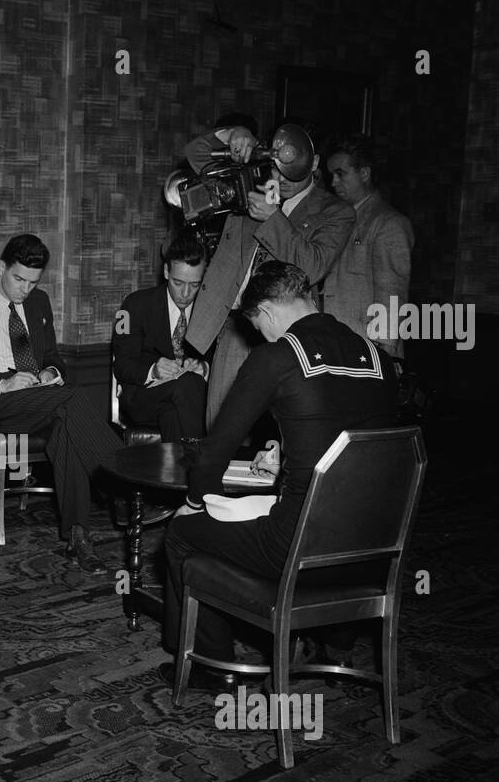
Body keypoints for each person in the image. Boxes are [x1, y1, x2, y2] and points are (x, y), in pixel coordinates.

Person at [161, 262, 397, 692]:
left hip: (296, 547)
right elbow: (358, 445)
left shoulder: (276, 356)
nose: (261, 337)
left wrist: (196, 501)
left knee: (182, 532)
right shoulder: (379, 357)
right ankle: (337, 643)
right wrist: (287, 453)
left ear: (267, 312)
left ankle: (212, 664)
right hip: (372, 551)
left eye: (257, 328)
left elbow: (215, 453)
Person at [0, 234, 122, 574]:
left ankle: (79, 537)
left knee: (67, 428)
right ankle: (124, 481)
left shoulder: (39, 303)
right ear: (1, 268)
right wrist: (3, 383)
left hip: (40, 399)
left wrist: (50, 371)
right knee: (74, 399)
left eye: (33, 282)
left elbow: (52, 357)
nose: (24, 289)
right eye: (18, 279)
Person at [183, 120, 355, 428]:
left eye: (291, 165)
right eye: (274, 165)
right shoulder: (249, 186)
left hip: (288, 339)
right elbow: (196, 155)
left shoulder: (336, 211)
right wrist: (233, 134)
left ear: (313, 162)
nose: (280, 176)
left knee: (276, 436)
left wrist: (273, 219)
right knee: (222, 429)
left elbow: (312, 266)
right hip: (235, 331)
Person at [322, 133, 415, 360]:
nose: (334, 183)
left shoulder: (388, 223)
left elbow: (392, 296)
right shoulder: (337, 218)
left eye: (341, 174)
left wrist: (385, 357)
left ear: (364, 173)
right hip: (334, 346)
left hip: (368, 353)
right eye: (331, 175)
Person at [113, 230, 211, 441]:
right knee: (189, 384)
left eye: (194, 285)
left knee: (175, 414)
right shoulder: (132, 305)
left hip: (188, 403)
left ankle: (182, 473)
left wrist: (204, 368)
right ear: (166, 271)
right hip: (144, 398)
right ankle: (205, 466)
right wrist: (153, 370)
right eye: (178, 283)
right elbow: (121, 364)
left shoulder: (212, 311)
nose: (185, 294)